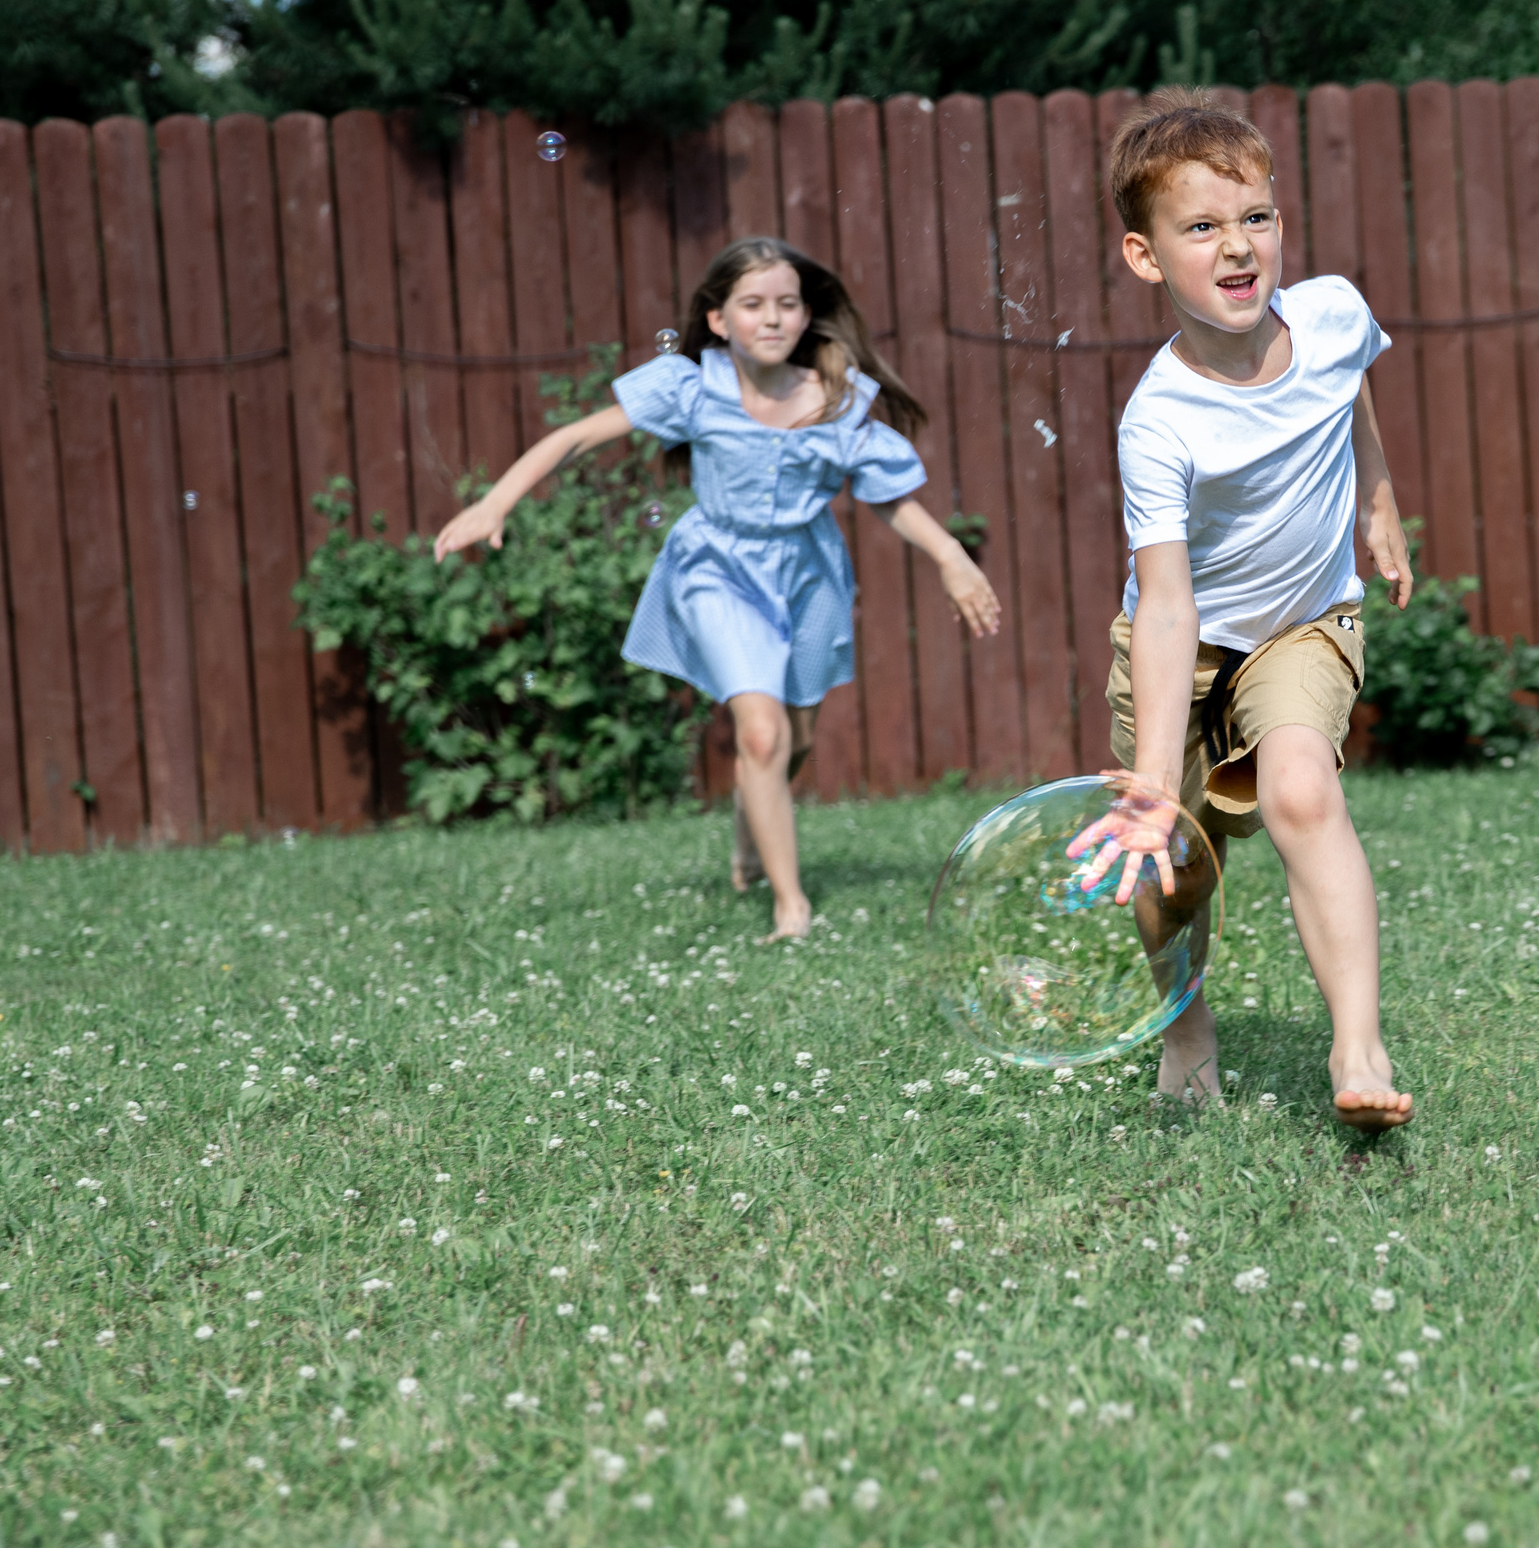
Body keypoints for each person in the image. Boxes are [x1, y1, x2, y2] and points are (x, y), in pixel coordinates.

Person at [432, 237, 1000, 937]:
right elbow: (574, 437)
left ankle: (751, 833)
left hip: (810, 575)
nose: (773, 318)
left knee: (793, 739)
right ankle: (791, 906)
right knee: (759, 733)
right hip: (717, 567)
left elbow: (887, 496)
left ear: (806, 315)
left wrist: (949, 555)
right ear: (718, 320)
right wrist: (496, 502)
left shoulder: (836, 397)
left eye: (787, 304)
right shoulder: (692, 387)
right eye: (752, 304)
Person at [1066, 90, 1416, 1131]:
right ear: (1145, 256)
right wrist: (1149, 783)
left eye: (1255, 217)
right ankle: (1184, 1025)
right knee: (1170, 875)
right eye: (1201, 226)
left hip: (1304, 625)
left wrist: (1378, 495)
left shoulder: (1333, 311)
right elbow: (1167, 607)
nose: (1237, 245)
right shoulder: (1159, 422)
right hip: (1182, 651)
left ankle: (1356, 1045)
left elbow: (1349, 385)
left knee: (1302, 788)